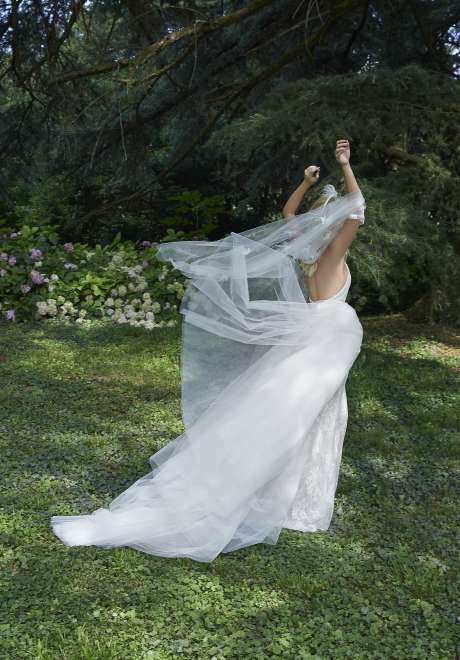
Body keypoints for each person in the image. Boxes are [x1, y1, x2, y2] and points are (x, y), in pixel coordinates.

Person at [51, 139, 366, 563]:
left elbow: (290, 214)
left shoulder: (311, 258)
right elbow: (357, 208)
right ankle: (288, 503)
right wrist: (344, 165)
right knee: (305, 419)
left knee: (291, 416)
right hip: (328, 340)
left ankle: (289, 500)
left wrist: (305, 183)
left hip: (314, 338)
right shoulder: (330, 256)